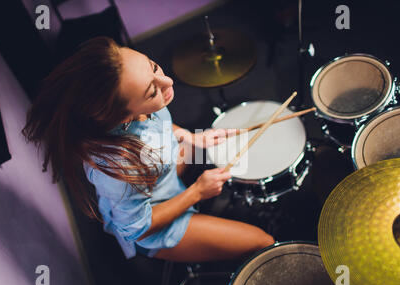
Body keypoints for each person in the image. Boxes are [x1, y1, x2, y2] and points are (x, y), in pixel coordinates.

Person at [22, 36, 274, 262]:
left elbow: (160, 124)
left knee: (200, 146)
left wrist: (190, 137)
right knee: (265, 243)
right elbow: (137, 228)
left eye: (153, 66)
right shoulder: (117, 169)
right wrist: (198, 191)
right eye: (153, 91)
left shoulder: (142, 104)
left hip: (157, 174)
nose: (167, 81)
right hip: (152, 224)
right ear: (122, 117)